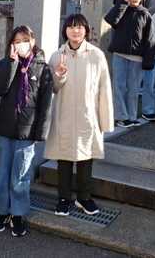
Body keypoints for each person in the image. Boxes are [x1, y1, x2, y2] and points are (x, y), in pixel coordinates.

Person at [45, 14, 114, 216]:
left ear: (86, 31)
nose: (76, 31)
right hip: (63, 114)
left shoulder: (96, 55)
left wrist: (105, 120)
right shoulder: (56, 56)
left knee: (86, 159)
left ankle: (84, 198)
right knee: (64, 159)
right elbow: (51, 88)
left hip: (87, 116)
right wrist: (59, 75)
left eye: (80, 27)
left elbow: (104, 89)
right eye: (71, 27)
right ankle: (63, 198)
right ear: (65, 30)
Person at [0, 25, 53, 237]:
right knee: (2, 174)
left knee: (21, 176)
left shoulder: (42, 68)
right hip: (4, 128)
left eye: (25, 40)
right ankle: (1, 211)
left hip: (27, 132)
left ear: (33, 41)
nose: (21, 44)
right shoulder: (6, 63)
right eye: (16, 41)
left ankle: (17, 214)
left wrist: (41, 133)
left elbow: (46, 103)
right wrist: (11, 63)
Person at [104, 0, 155, 128]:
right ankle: (121, 117)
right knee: (119, 86)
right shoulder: (122, 8)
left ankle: (131, 116)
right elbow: (110, 20)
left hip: (137, 58)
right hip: (119, 54)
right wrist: (122, 4)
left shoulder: (145, 14)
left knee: (133, 89)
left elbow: (150, 39)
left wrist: (148, 60)